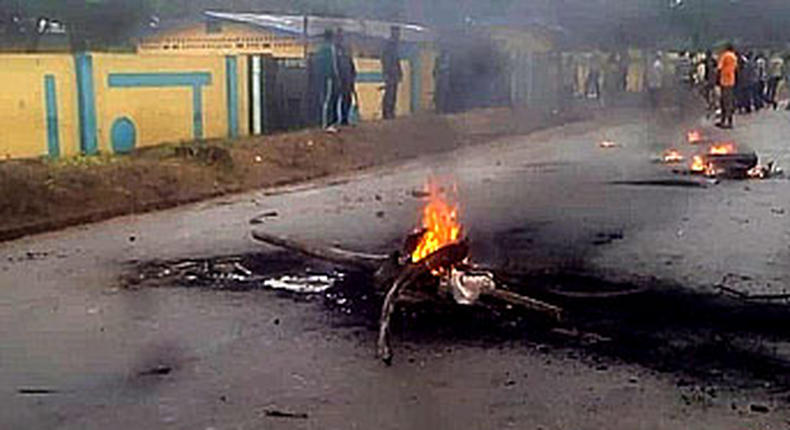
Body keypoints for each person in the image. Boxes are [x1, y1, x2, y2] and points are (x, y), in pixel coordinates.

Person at [314, 29, 340, 131]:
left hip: (320, 76)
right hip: (329, 77)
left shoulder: (320, 49)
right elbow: (333, 64)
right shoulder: (330, 49)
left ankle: (323, 123)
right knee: (328, 99)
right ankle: (328, 124)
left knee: (323, 98)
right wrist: (336, 76)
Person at [335, 30, 357, 126]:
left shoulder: (346, 51)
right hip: (339, 79)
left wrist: (352, 77)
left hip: (347, 79)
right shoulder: (334, 51)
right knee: (336, 100)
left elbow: (351, 65)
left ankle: (345, 119)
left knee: (347, 99)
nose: (341, 39)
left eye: (342, 37)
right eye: (339, 37)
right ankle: (336, 120)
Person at [381, 26, 402, 120]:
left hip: (394, 72)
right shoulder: (389, 45)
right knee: (389, 93)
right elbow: (385, 59)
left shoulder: (395, 46)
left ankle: (391, 112)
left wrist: (399, 72)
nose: (398, 35)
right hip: (390, 72)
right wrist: (386, 72)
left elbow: (397, 60)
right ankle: (387, 113)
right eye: (397, 33)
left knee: (393, 93)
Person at [717, 44, 738, 129]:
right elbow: (735, 68)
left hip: (724, 81)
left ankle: (724, 121)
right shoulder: (734, 57)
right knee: (729, 102)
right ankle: (730, 121)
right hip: (731, 81)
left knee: (724, 102)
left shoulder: (725, 55)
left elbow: (719, 68)